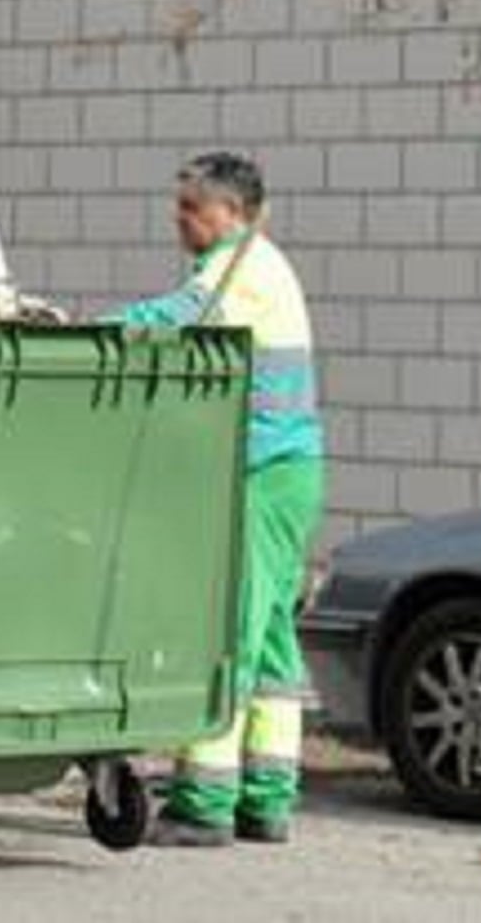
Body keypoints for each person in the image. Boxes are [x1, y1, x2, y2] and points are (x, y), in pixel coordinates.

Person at [108, 152, 326, 847]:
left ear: (231, 213)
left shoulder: (241, 269)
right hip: (289, 473)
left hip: (262, 475)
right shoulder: (264, 265)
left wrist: (85, 328)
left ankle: (205, 801)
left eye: (191, 209)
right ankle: (267, 798)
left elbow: (174, 319)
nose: (179, 220)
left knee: (228, 629)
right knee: (267, 642)